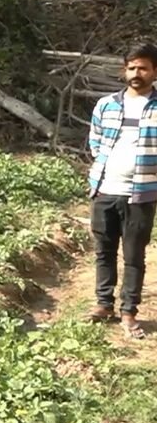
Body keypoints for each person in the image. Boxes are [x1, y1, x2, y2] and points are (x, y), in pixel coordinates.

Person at [85, 42, 157, 340]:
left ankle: (129, 312)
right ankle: (104, 305)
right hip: (105, 190)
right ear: (123, 71)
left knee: (133, 255)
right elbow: (95, 141)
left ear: (155, 71)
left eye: (142, 67)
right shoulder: (106, 104)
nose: (136, 73)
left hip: (141, 194)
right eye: (131, 67)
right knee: (103, 251)